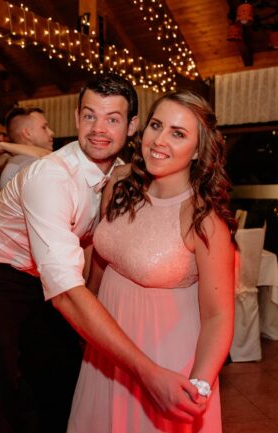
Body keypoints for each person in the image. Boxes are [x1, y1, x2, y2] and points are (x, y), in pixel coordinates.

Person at [0, 74, 206, 433]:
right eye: (89, 116)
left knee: (60, 379)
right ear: (76, 118)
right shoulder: (50, 179)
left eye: (112, 119)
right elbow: (67, 293)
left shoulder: (119, 172)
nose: (99, 129)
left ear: (132, 126)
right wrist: (148, 373)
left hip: (40, 278)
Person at [67, 90, 236, 433]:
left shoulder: (203, 220)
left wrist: (199, 385)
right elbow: (102, 257)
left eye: (178, 133)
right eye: (156, 126)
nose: (159, 140)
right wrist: (89, 317)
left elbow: (218, 316)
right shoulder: (120, 183)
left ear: (198, 150)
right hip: (108, 348)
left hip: (164, 354)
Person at [0, 107, 55, 188]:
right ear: (27, 134)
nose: (51, 133)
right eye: (44, 127)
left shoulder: (20, 161)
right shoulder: (31, 165)